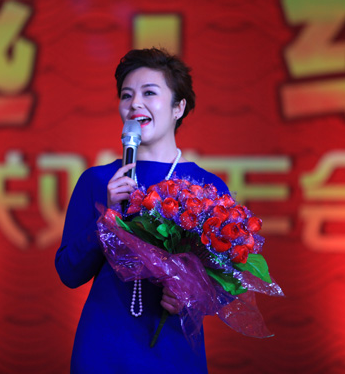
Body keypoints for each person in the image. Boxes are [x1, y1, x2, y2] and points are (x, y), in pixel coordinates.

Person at [55, 48, 230, 373]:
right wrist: (108, 219)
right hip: (103, 350)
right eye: (126, 95)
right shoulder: (98, 180)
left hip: (174, 352)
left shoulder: (207, 188)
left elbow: (228, 281)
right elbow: (68, 272)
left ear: (178, 107)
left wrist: (192, 295)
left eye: (149, 93)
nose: (135, 103)